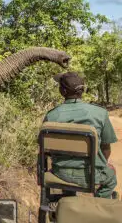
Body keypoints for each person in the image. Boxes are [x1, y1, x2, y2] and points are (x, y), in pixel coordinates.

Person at [43, 71, 118, 199]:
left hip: (61, 174)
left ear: (63, 92)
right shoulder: (100, 113)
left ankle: (69, 200)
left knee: (67, 180)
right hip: (92, 174)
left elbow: (46, 150)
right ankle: (99, 205)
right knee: (111, 179)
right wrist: (101, 165)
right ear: (82, 91)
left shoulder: (51, 116)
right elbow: (106, 148)